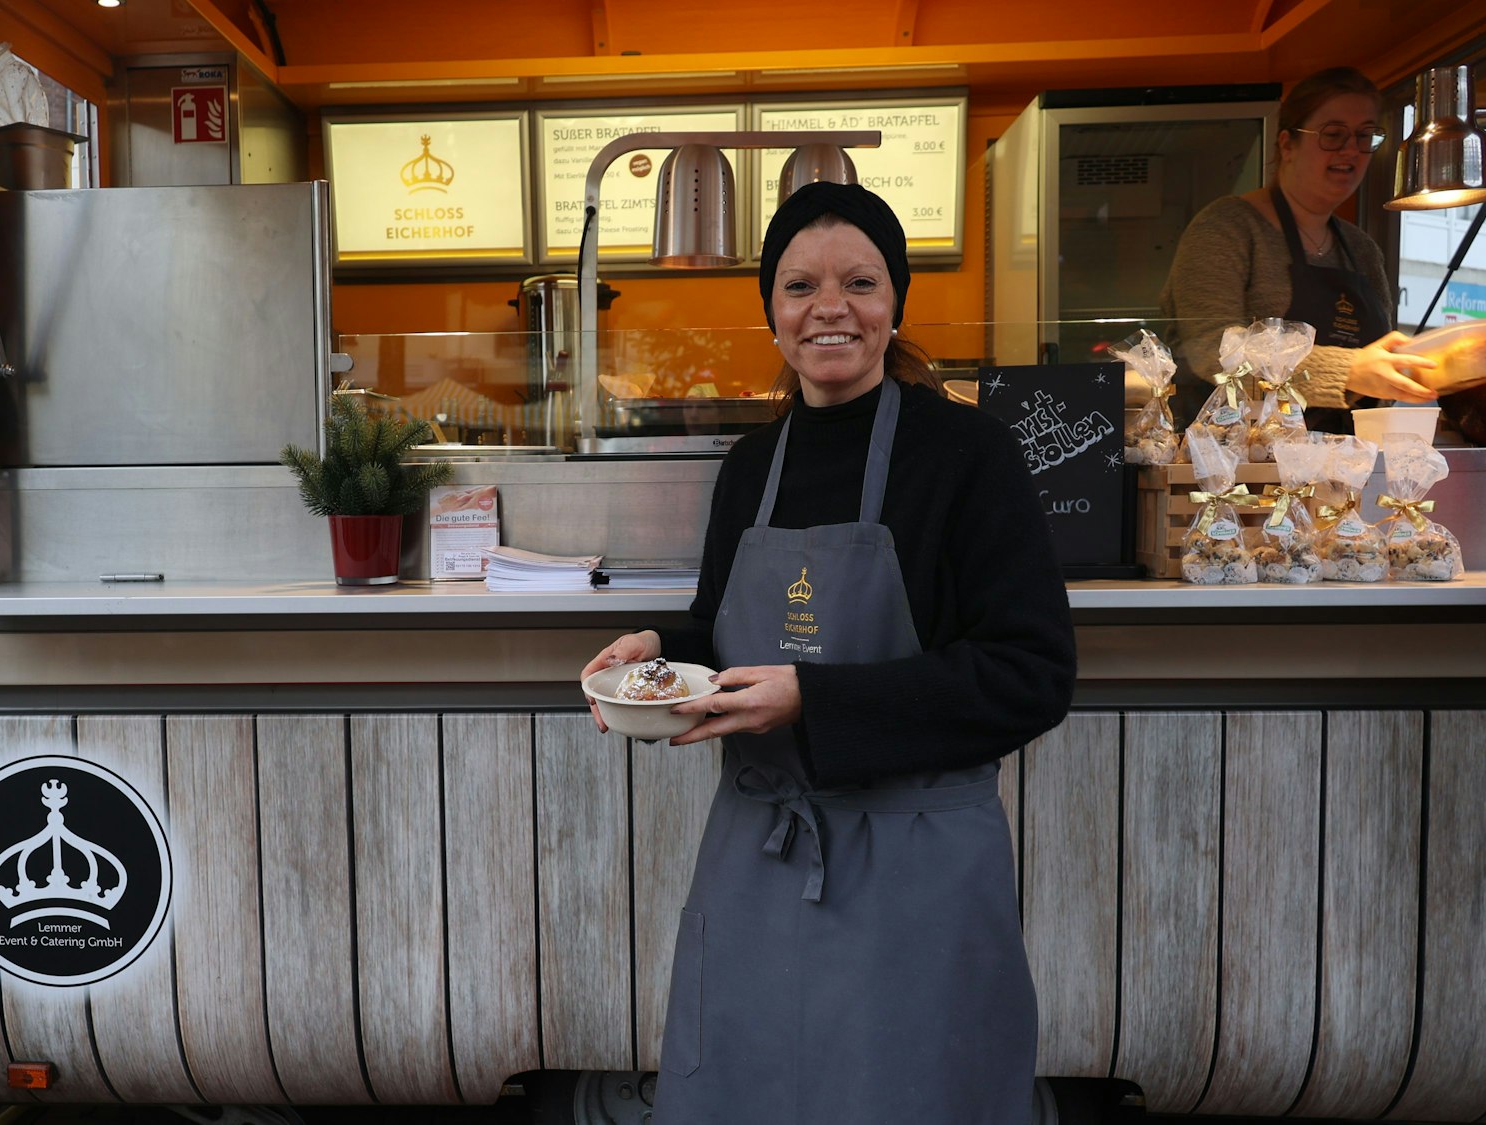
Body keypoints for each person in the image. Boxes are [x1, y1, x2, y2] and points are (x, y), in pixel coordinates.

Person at [579, 181, 1076, 1123]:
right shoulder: (748, 468)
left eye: (860, 281)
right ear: (772, 310)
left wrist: (815, 700)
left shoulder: (969, 454)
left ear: (896, 303)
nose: (830, 307)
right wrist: (655, 652)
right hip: (758, 860)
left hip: (918, 866)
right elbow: (729, 639)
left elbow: (1032, 673)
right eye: (801, 285)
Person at [1160, 66, 1438, 432]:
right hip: (1239, 469)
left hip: (1344, 466)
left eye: (1365, 135)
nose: (1351, 150)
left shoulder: (1361, 248)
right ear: (1287, 144)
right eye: (1333, 135)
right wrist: (1348, 370)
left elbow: (1378, 360)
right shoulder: (1226, 227)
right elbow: (1212, 351)